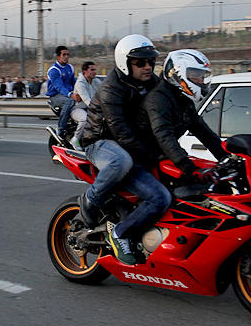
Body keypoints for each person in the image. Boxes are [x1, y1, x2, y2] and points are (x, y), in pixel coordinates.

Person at [80, 35, 172, 265]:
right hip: (100, 142)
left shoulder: (151, 82)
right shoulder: (112, 89)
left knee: (168, 188)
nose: (148, 66)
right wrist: (152, 155)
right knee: (122, 163)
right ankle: (94, 202)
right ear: (125, 63)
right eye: (140, 63)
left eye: (151, 61)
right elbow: (121, 133)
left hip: (132, 146)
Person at [145, 49, 228, 189]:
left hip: (164, 158)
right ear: (177, 74)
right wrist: (189, 168)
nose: (200, 81)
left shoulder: (183, 99)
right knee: (160, 200)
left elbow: (203, 132)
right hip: (146, 160)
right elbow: (164, 135)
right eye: (195, 76)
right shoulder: (158, 99)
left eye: (202, 76)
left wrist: (226, 157)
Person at [47, 46, 81, 136]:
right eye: (64, 54)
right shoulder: (54, 70)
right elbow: (59, 87)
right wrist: (71, 95)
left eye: (68, 54)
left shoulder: (70, 68)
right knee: (70, 101)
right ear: (58, 57)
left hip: (68, 93)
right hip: (56, 96)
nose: (66, 56)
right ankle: (61, 127)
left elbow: (74, 82)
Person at [69, 61, 101, 151]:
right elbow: (86, 99)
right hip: (77, 108)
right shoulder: (80, 83)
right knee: (85, 119)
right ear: (85, 72)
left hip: (90, 108)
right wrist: (98, 107)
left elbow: (104, 91)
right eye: (92, 70)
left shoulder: (95, 81)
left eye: (95, 70)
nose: (94, 72)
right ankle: (75, 139)